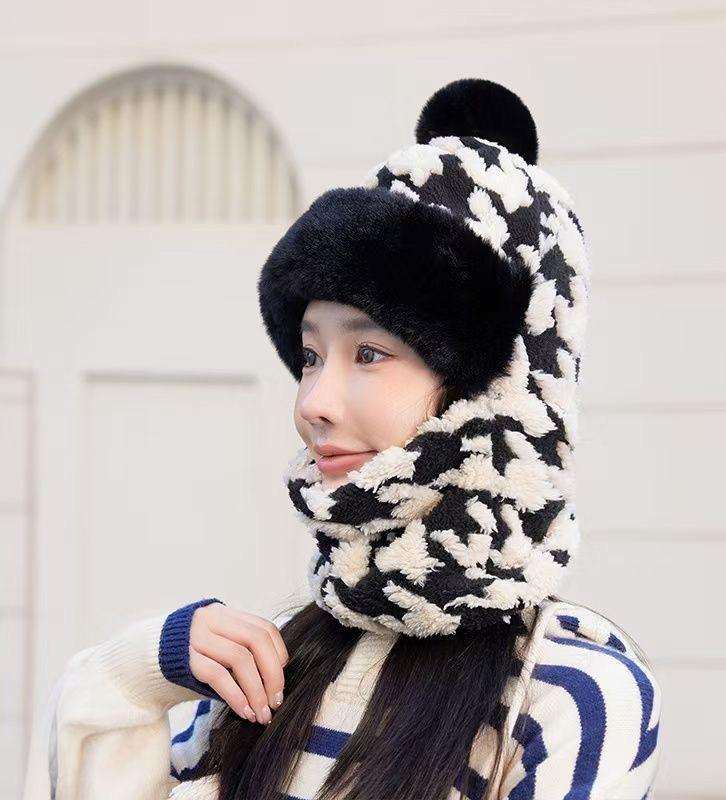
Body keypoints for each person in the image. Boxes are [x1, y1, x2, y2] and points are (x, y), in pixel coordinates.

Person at [22, 77, 662, 800]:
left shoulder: (572, 699)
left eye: (369, 354)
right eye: (310, 355)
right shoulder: (268, 663)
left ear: (496, 391)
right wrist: (130, 678)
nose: (313, 404)